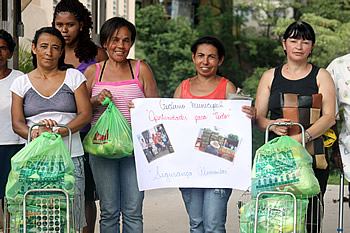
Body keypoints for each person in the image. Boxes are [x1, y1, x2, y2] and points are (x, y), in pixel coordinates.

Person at [254, 21, 336, 232]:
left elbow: (329, 117)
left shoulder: (322, 76)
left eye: (305, 41)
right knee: (276, 214)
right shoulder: (269, 76)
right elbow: (259, 118)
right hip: (276, 157)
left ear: (312, 47)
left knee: (310, 215)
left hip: (312, 155)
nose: (299, 46)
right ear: (284, 44)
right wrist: (272, 125)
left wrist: (302, 137)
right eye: (293, 40)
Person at [10, 27, 92, 230]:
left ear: (61, 51)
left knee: (71, 217)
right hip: (34, 162)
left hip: (71, 157)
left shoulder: (73, 77)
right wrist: (37, 133)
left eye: (56, 48)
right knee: (37, 218)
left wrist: (60, 132)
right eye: (44, 46)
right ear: (34, 48)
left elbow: (85, 114)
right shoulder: (21, 83)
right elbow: (17, 123)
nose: (49, 52)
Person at [173, 36, 255, 233]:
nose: (205, 61)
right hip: (188, 169)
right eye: (200, 56)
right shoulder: (182, 88)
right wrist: (140, 109)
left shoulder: (227, 87)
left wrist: (248, 115)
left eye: (211, 57)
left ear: (220, 60)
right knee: (196, 225)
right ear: (193, 58)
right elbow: (171, 125)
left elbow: (235, 131)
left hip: (218, 170)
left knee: (214, 226)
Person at [84, 17, 159, 233]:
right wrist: (94, 100)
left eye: (126, 41)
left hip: (136, 153)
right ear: (105, 42)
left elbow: (155, 111)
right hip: (102, 151)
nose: (121, 46)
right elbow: (80, 111)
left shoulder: (140, 70)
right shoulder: (93, 72)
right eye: (115, 40)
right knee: (108, 211)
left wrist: (142, 108)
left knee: (133, 211)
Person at [52, 1, 108, 232]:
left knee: (86, 194)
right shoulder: (51, 51)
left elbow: (108, 92)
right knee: (57, 190)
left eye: (70, 25)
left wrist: (93, 102)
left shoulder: (97, 54)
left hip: (90, 131)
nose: (64, 30)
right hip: (57, 133)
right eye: (59, 24)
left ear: (82, 25)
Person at [0, 29, 25, 210]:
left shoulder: (19, 79)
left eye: (2, 48)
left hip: (14, 146)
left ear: (9, 53)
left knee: (12, 200)